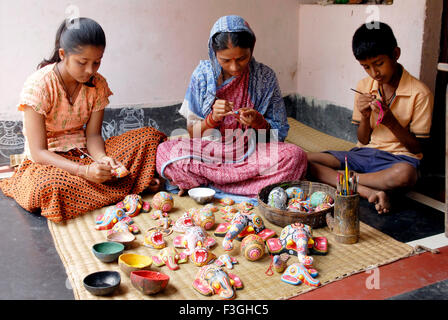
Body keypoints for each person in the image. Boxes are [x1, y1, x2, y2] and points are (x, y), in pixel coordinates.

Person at [0, 17, 166, 223]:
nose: (90, 70)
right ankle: (131, 185)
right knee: (50, 187)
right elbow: (38, 152)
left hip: (85, 153)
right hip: (49, 163)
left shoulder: (98, 84)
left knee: (148, 137)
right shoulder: (39, 86)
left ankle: (117, 185)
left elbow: (94, 135)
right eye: (82, 62)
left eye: (97, 62)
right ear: (63, 55)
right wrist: (85, 172)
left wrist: (102, 160)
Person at [156, 15, 307, 198]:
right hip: (212, 151)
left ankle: (207, 184)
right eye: (225, 60)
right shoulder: (202, 75)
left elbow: (278, 135)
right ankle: (248, 187)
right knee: (165, 152)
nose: (235, 67)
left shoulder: (265, 77)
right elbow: (193, 133)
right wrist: (212, 119)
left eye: (242, 58)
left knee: (295, 156)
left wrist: (259, 122)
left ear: (252, 49)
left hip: (251, 151)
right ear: (213, 53)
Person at [307, 22, 434, 214]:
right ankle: (364, 188)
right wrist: (365, 117)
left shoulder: (420, 93)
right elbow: (363, 139)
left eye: (379, 63)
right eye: (366, 67)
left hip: (397, 160)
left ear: (395, 54)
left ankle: (342, 178)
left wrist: (391, 122)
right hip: (364, 154)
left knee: (406, 175)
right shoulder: (365, 86)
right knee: (302, 159)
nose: (374, 73)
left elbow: (417, 148)